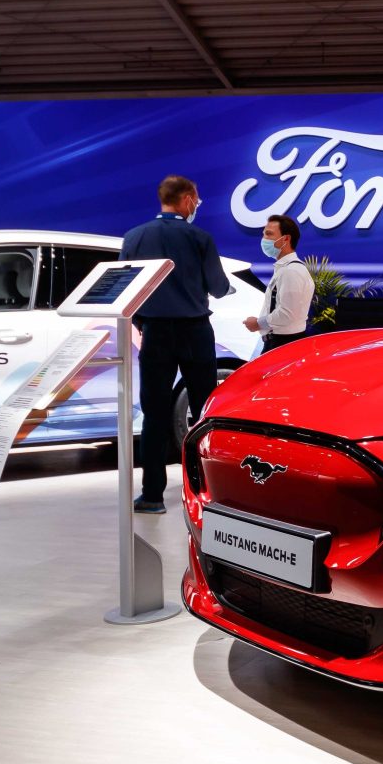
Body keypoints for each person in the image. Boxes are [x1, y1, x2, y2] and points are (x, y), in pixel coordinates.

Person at [121, 176, 230, 514]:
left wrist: (143, 324)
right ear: (187, 199)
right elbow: (219, 287)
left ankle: (152, 496)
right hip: (195, 332)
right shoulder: (200, 238)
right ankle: (209, 492)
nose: (197, 205)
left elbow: (126, 291)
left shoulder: (134, 237)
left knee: (154, 414)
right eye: (196, 199)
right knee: (204, 413)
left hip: (154, 333)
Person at [245, 214, 313, 352]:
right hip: (281, 342)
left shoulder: (291, 271)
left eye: (269, 234)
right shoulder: (286, 269)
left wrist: (257, 323)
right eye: (264, 234)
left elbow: (287, 314)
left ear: (286, 239)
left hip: (282, 344)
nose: (264, 239)